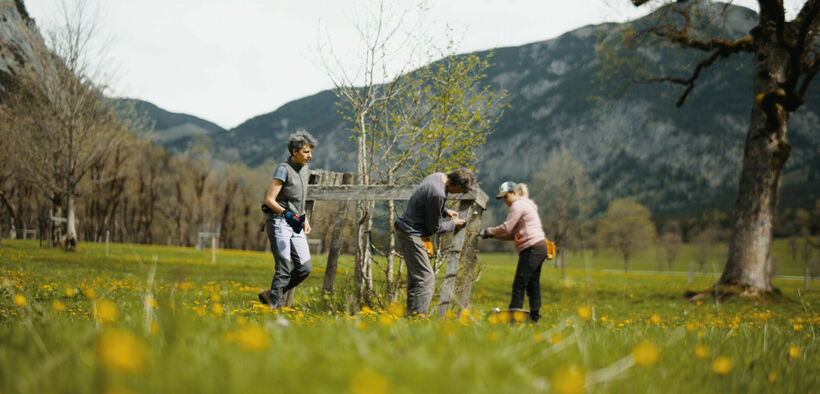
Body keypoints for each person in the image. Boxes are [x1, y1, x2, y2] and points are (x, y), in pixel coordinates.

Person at [394, 168, 477, 316]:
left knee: (416, 278)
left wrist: (444, 210)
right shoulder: (438, 193)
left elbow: (427, 199)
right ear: (458, 186)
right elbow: (434, 228)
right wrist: (454, 224)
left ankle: (411, 317)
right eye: (462, 191)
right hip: (412, 234)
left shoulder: (436, 176)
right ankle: (418, 318)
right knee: (426, 278)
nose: (459, 194)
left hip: (405, 229)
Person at [258, 129, 317, 310]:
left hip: (296, 223)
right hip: (279, 222)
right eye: (306, 152)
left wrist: (304, 219)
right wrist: (287, 214)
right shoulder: (283, 169)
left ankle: (270, 294)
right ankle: (274, 309)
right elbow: (270, 199)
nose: (310, 155)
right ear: (294, 152)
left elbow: (299, 199)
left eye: (310, 151)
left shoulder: (305, 169)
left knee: (304, 268)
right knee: (283, 269)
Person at [480, 181, 547, 322]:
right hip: (539, 247)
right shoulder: (526, 205)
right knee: (532, 284)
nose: (505, 201)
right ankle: (534, 318)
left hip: (532, 248)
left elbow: (507, 227)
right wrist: (492, 235)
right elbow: (511, 234)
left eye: (506, 196)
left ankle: (513, 319)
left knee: (520, 284)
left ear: (515, 193)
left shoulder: (518, 205)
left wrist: (488, 231)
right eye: (502, 198)